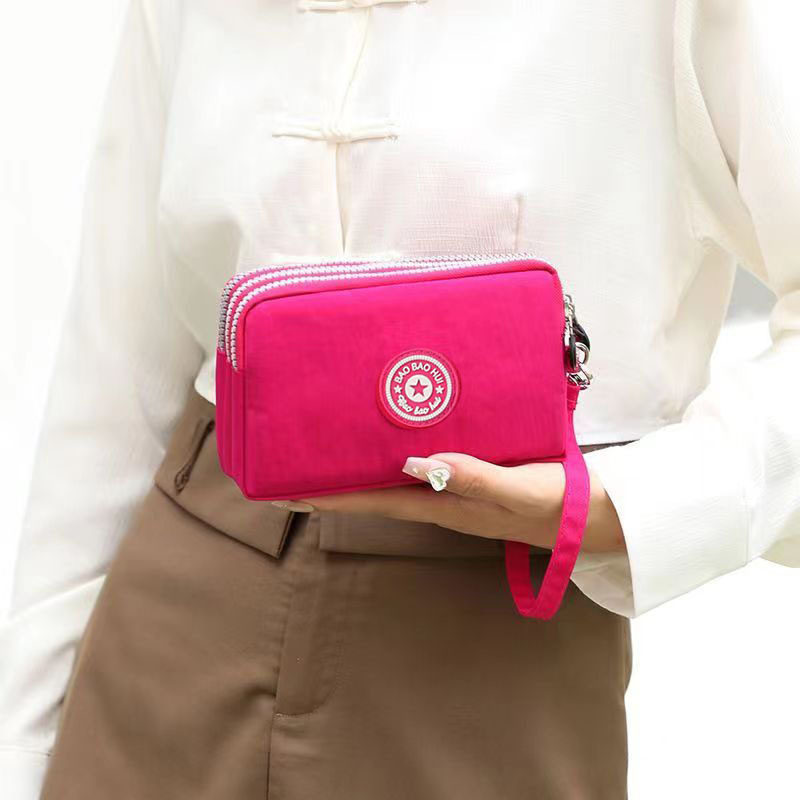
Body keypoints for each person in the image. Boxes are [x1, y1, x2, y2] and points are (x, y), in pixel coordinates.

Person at [1, 1, 798, 798]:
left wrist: (628, 504)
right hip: (174, 608)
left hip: (494, 641)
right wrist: (21, 743)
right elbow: (112, 374)